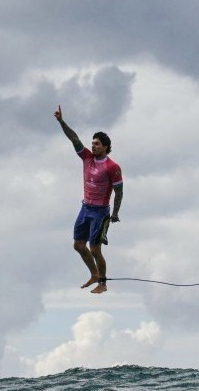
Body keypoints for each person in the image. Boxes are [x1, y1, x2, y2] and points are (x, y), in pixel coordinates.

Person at [54, 105, 123, 294]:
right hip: (85, 208)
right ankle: (93, 274)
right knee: (78, 245)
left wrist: (115, 213)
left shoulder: (112, 167)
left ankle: (103, 282)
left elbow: (119, 191)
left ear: (106, 147)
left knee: (94, 249)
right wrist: (61, 122)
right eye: (93, 143)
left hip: (100, 212)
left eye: (97, 144)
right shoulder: (86, 158)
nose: (93, 146)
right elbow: (74, 138)